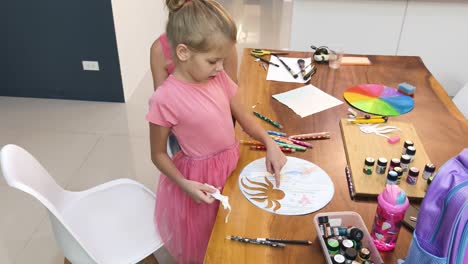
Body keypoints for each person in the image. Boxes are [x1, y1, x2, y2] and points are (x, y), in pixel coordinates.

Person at [146, 0, 287, 263]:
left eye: (223, 60)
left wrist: (270, 142)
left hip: (231, 164)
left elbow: (244, 117)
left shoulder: (218, 78)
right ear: (184, 52)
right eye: (213, 61)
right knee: (207, 241)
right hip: (199, 179)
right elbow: (157, 154)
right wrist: (184, 184)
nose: (221, 68)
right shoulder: (164, 99)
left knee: (233, 226)